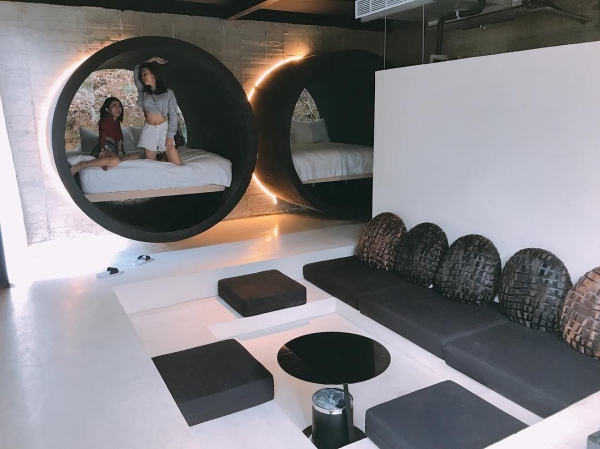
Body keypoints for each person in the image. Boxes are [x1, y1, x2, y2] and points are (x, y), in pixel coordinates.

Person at [71, 97, 139, 175]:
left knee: (135, 156)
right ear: (107, 109)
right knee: (115, 160)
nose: (118, 108)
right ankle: (82, 164)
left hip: (112, 149)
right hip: (105, 147)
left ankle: (105, 163)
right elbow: (102, 135)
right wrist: (102, 149)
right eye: (114, 106)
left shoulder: (116, 122)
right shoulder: (106, 120)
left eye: (119, 106)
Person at [134, 57, 182, 165]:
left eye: (145, 74)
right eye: (142, 75)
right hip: (148, 130)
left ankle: (164, 162)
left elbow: (173, 115)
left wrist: (170, 136)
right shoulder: (143, 91)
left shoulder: (168, 93)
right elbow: (136, 69)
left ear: (153, 75)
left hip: (163, 129)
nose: (143, 77)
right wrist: (151, 60)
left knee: (177, 164)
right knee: (150, 165)